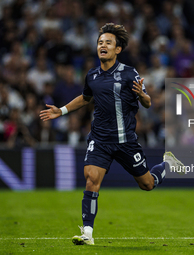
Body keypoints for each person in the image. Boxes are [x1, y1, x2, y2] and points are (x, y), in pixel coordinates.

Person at [39, 23, 184, 245]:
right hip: (100, 139)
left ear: (118, 49)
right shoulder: (92, 75)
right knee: (91, 179)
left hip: (126, 141)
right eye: (100, 42)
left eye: (108, 42)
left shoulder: (129, 73)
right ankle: (87, 233)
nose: (102, 45)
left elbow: (147, 102)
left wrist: (142, 96)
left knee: (147, 184)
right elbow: (85, 98)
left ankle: (167, 164)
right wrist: (62, 110)